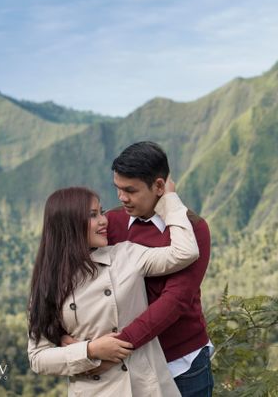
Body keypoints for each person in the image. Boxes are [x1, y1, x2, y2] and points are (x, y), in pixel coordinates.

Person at [63, 141, 214, 396]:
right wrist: (68, 341)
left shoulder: (192, 229)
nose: (122, 197)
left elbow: (175, 301)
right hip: (126, 363)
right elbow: (73, 280)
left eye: (130, 190)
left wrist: (118, 347)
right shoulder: (110, 222)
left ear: (158, 186)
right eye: (118, 189)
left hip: (179, 362)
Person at [28, 180, 199, 397]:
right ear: (68, 224)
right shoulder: (48, 284)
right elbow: (38, 357)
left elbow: (186, 252)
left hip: (146, 387)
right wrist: (90, 351)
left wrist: (170, 200)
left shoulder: (125, 255)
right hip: (95, 390)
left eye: (102, 212)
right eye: (92, 215)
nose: (103, 221)